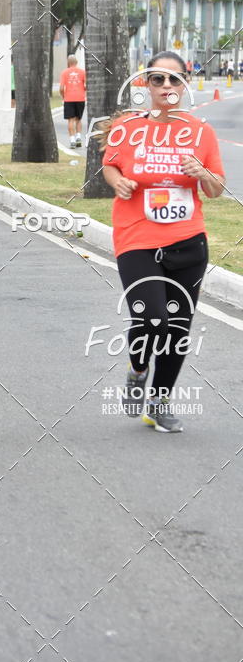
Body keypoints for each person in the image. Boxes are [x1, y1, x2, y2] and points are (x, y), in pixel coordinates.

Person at [99, 50, 225, 432]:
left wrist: (201, 171)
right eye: (158, 79)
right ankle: (138, 368)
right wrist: (116, 181)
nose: (167, 86)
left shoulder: (201, 132)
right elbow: (111, 164)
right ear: (146, 84)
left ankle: (159, 401)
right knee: (152, 315)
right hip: (137, 236)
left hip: (188, 241)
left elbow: (216, 189)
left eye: (175, 79)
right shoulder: (128, 128)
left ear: (185, 84)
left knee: (178, 326)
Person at [59, 54, 87, 148]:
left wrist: (63, 96)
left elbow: (62, 88)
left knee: (70, 120)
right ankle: (78, 137)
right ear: (76, 62)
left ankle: (72, 140)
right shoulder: (82, 72)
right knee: (78, 119)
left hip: (69, 98)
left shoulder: (64, 72)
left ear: (68, 62)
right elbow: (86, 86)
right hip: (80, 98)